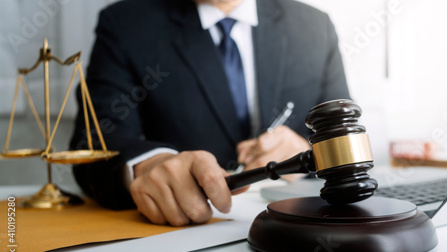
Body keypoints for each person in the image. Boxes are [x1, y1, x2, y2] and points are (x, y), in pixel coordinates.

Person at [70, 0, 350, 226]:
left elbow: (349, 141)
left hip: (300, 226)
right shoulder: (125, 24)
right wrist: (149, 165)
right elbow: (93, 144)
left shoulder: (315, 26)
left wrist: (307, 153)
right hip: (184, 234)